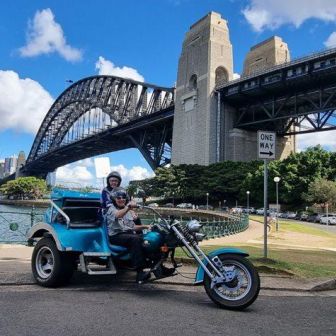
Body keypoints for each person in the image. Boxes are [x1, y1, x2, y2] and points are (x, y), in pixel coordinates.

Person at [106, 187, 151, 283]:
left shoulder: (127, 211)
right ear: (114, 199)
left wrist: (145, 226)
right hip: (116, 236)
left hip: (127, 234)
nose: (121, 199)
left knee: (148, 239)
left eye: (123, 197)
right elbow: (118, 215)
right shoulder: (111, 209)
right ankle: (140, 272)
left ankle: (158, 267)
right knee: (135, 239)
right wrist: (128, 207)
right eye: (118, 198)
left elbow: (132, 227)